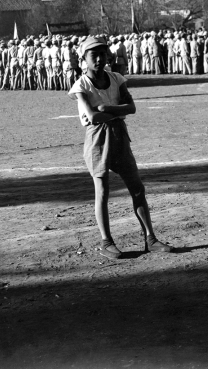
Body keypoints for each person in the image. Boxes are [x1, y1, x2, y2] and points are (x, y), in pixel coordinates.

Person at [68, 35, 173, 259]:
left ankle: (150, 238)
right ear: (83, 59)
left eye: (102, 54)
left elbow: (132, 108)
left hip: (119, 137)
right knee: (103, 192)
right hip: (97, 139)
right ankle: (107, 242)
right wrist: (116, 109)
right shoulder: (81, 85)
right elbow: (94, 117)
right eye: (93, 55)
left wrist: (107, 107)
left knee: (137, 188)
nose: (99, 58)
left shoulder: (116, 78)